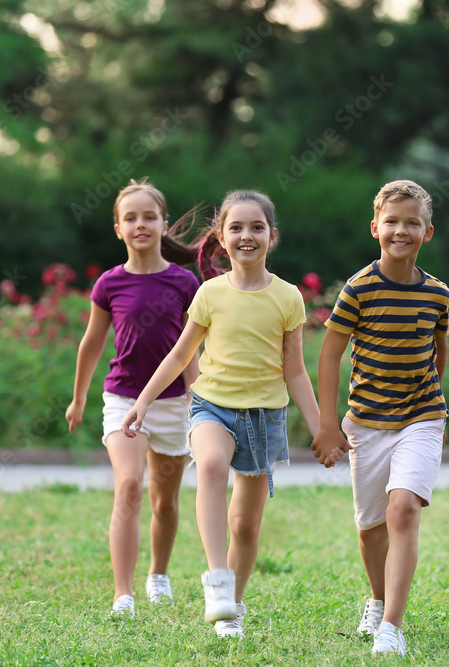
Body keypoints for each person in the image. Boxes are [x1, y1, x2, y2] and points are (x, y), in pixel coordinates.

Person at [120, 190, 320, 639]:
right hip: (212, 406)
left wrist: (321, 427)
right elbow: (177, 357)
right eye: (236, 227)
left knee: (245, 527)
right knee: (209, 466)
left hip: (264, 417)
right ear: (221, 238)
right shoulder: (209, 293)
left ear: (272, 236)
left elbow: (296, 371)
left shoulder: (288, 298)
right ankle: (217, 580)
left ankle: (233, 607)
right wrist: (143, 401)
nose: (246, 236)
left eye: (256, 228)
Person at [311, 179, 449, 657]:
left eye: (412, 222)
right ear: (375, 228)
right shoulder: (358, 289)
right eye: (392, 221)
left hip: (422, 416)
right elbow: (330, 357)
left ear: (427, 232)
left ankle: (391, 626)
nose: (401, 230)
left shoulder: (438, 295)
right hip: (365, 423)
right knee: (371, 528)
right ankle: (376, 599)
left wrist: (430, 402)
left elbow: (439, 352)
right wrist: (328, 425)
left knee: (403, 509)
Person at [65, 178, 201, 620]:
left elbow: (191, 351)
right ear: (118, 229)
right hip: (123, 399)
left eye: (149, 216)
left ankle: (157, 575)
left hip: (174, 404)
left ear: (163, 223)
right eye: (130, 218)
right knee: (128, 487)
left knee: (165, 501)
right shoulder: (109, 284)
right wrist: (79, 398)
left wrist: (199, 405)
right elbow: (90, 344)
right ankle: (123, 594)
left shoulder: (185, 282)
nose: (140, 224)